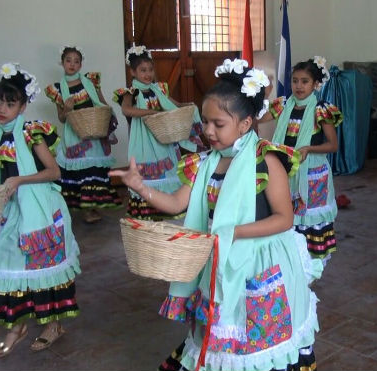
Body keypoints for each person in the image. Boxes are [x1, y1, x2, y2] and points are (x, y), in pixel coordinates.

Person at [111, 58, 322, 371]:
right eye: (206, 122)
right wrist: (140, 187)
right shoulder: (204, 163)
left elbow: (284, 218)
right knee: (219, 336)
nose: (208, 131)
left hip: (257, 262)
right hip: (218, 258)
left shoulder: (266, 162)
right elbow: (176, 204)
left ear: (245, 124)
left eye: (218, 124)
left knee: (254, 337)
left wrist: (231, 232)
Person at [0, 63, 81, 356]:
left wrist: (21, 180)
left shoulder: (30, 133)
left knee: (44, 269)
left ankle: (54, 325)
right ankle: (19, 326)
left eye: (10, 103)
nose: (2, 108)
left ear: (23, 106)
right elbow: (4, 178)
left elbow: (53, 172)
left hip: (41, 210)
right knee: (6, 260)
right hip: (12, 210)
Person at [259, 56, 343, 265]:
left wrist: (309, 148)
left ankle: (311, 265)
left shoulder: (320, 109)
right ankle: (291, 259)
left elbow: (332, 145)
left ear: (315, 84)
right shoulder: (284, 104)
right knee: (286, 212)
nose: (298, 86)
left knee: (309, 218)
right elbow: (258, 117)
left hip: (312, 174)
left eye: (304, 81)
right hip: (286, 171)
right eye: (295, 80)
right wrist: (264, 96)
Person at [113, 45, 205, 221]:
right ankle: (149, 209)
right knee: (149, 173)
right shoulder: (131, 92)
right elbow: (126, 110)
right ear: (132, 72)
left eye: (150, 70)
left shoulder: (158, 89)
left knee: (166, 169)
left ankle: (167, 206)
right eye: (142, 70)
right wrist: (150, 113)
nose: (147, 74)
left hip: (162, 138)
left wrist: (188, 106)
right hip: (144, 141)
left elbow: (174, 105)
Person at [45, 46, 121, 223]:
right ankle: (85, 210)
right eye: (68, 60)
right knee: (80, 172)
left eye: (76, 61)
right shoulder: (57, 89)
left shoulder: (91, 81)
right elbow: (62, 118)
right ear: (62, 63)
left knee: (93, 170)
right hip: (75, 137)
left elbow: (102, 103)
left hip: (94, 134)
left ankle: (92, 206)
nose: (72, 64)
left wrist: (108, 118)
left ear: (81, 65)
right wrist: (67, 108)